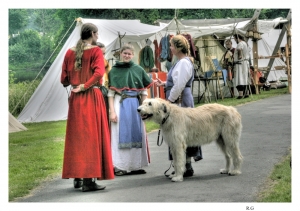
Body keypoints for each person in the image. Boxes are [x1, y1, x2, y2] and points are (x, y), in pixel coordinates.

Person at [61, 23, 114, 192]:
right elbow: (99, 73)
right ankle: (88, 181)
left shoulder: (69, 52)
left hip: (75, 99)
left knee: (78, 138)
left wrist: (76, 81)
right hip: (91, 96)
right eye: (97, 33)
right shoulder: (95, 51)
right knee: (91, 137)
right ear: (92, 33)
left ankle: (77, 177)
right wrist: (85, 85)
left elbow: (64, 80)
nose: (98, 36)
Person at [155, 34, 203, 177]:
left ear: (177, 47)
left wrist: (169, 101)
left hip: (181, 100)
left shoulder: (183, 62)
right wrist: (164, 84)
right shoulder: (181, 62)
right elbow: (178, 81)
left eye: (171, 46)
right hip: (179, 98)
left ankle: (186, 166)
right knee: (179, 134)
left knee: (182, 133)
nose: (169, 48)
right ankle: (182, 166)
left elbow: (180, 84)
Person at [108, 44, 153, 176]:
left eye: (129, 53)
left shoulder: (138, 69)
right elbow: (110, 93)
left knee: (136, 132)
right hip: (119, 104)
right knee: (119, 134)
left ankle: (135, 165)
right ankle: (119, 165)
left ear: (133, 55)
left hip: (135, 105)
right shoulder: (114, 71)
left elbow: (144, 90)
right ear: (120, 54)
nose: (127, 55)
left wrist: (144, 107)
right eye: (125, 53)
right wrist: (112, 111)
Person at [233, 34, 250, 99]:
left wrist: (239, 56)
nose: (234, 40)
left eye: (235, 39)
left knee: (240, 79)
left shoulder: (240, 43)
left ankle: (241, 94)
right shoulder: (245, 43)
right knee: (245, 78)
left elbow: (239, 49)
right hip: (244, 63)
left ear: (237, 38)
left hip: (241, 63)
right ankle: (246, 93)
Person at [96, 42, 111, 121]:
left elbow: (109, 76)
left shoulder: (106, 63)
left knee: (105, 117)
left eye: (104, 53)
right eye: (100, 53)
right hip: (94, 93)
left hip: (105, 92)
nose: (102, 56)